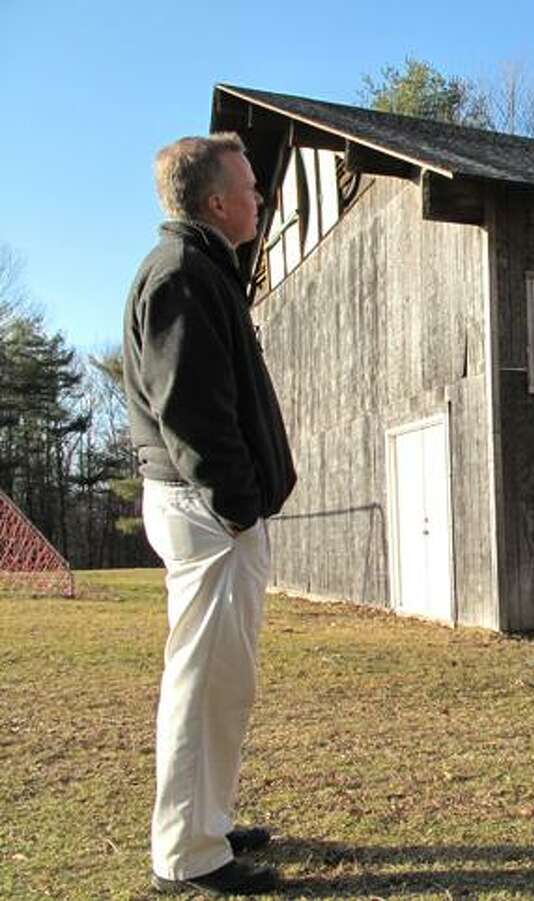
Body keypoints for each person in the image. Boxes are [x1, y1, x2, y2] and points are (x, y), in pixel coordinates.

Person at [123, 133, 297, 896]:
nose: (261, 196)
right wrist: (235, 505)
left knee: (225, 680)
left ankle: (209, 821)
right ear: (215, 200)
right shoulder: (182, 275)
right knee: (203, 682)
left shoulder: (203, 271)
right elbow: (191, 412)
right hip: (207, 513)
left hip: (214, 512)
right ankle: (189, 855)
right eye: (251, 185)